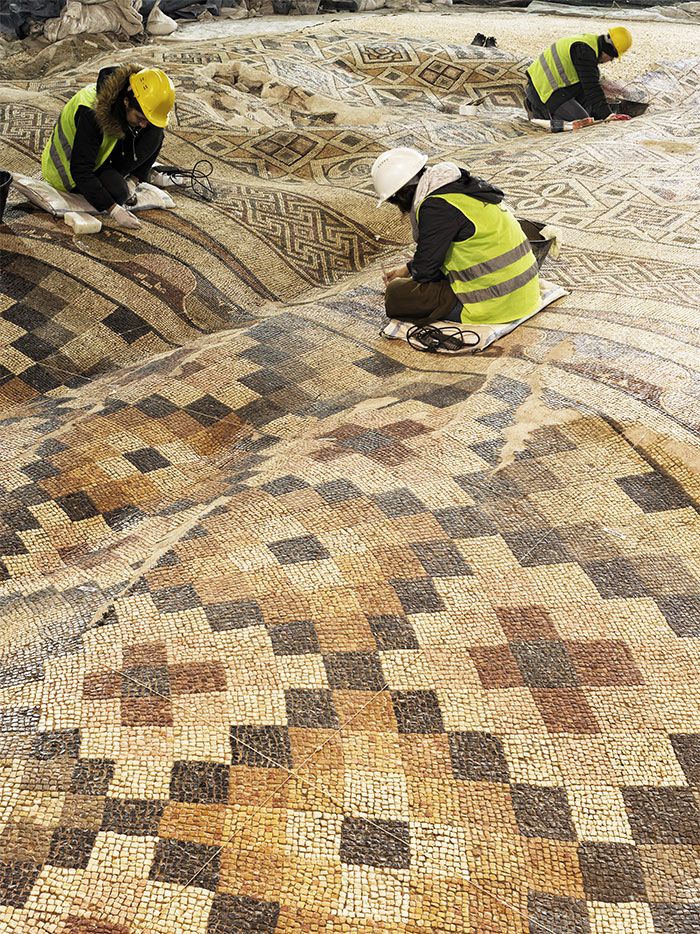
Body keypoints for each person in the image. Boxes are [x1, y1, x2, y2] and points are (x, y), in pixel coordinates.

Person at [373, 147, 540, 327]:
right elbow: (443, 248)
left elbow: (426, 271)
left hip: (494, 304)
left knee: (396, 293)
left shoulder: (434, 206)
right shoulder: (459, 187)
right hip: (527, 294)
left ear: (401, 195)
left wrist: (411, 275)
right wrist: (406, 269)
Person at [42, 65, 175, 230]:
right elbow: (80, 170)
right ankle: (118, 187)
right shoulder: (91, 112)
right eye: (139, 117)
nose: (142, 124)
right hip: (68, 171)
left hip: (101, 154)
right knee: (119, 193)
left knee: (155, 130)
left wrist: (133, 182)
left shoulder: (126, 101)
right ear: (126, 101)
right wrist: (114, 210)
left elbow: (146, 125)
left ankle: (131, 180)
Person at [525, 28, 633, 128]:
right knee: (582, 123)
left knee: (590, 112)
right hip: (542, 91)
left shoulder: (590, 43)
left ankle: (544, 108)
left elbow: (590, 80)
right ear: (608, 51)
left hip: (553, 86)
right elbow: (592, 88)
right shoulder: (584, 51)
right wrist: (607, 115)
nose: (611, 60)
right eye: (612, 57)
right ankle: (538, 111)